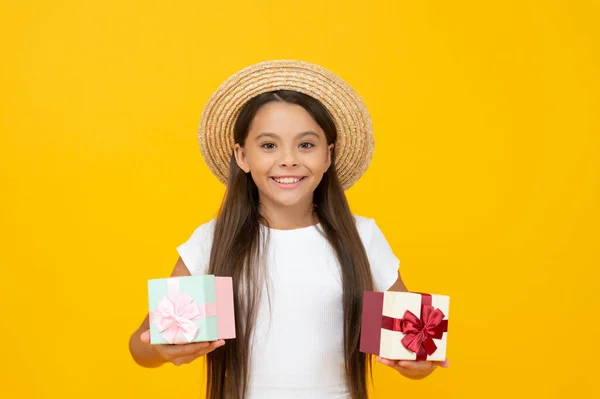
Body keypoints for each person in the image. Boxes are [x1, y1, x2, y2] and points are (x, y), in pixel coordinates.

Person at [128, 60, 448, 399]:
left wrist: (420, 363)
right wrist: (162, 350)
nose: (289, 159)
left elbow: (414, 345)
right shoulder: (213, 240)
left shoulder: (362, 237)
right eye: (269, 145)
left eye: (306, 145)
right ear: (242, 156)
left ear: (328, 155)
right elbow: (140, 347)